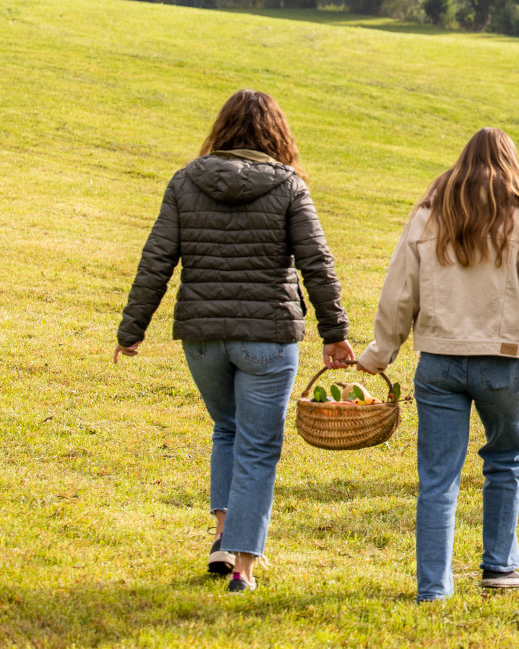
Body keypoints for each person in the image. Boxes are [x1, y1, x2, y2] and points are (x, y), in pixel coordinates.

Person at [114, 89, 356, 593]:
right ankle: (243, 567)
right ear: (278, 135)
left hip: (203, 340)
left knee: (227, 430)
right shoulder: (289, 186)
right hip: (268, 337)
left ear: (221, 130)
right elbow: (317, 263)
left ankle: (223, 537)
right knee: (259, 447)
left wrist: (131, 330)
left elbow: (156, 260)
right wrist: (335, 334)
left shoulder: (185, 181)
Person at [356, 127, 519, 602]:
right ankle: (500, 565)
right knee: (507, 459)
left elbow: (399, 292)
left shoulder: (428, 216)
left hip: (438, 365)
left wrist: (379, 354)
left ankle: (433, 587)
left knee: (437, 476)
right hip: (499, 366)